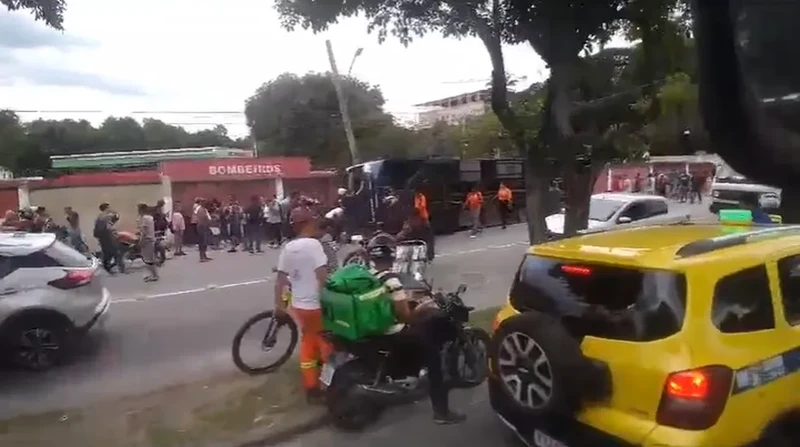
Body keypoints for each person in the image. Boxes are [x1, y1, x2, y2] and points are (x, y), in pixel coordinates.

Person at [366, 238, 466, 424]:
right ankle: (441, 413)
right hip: (393, 330)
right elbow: (405, 316)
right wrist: (423, 306)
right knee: (434, 359)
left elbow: (386, 302)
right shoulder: (392, 280)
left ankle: (410, 373)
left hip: (378, 327)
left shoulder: (370, 275)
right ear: (392, 255)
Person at [274, 206, 331, 403]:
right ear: (307, 223)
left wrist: (279, 306)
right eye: (313, 221)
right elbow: (322, 275)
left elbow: (280, 279)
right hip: (316, 305)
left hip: (299, 306)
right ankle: (329, 387)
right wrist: (330, 300)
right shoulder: (314, 245)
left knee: (308, 342)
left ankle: (311, 388)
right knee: (328, 345)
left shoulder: (288, 247)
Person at [94, 203, 125, 274]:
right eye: (109, 207)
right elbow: (116, 217)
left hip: (102, 238)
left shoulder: (99, 217)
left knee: (107, 253)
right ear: (106, 208)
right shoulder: (108, 215)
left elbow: (96, 230)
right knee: (116, 252)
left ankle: (107, 268)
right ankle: (121, 269)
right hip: (108, 237)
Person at [137, 203, 159, 282]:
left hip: (147, 240)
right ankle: (151, 274)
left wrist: (141, 241)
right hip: (150, 240)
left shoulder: (145, 218)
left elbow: (144, 232)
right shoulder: (149, 217)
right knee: (148, 259)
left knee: (148, 260)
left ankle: (155, 275)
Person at [193, 198, 212, 262]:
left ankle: (204, 255)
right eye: (203, 202)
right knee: (202, 242)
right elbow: (201, 219)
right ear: (201, 203)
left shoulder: (204, 209)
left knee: (205, 242)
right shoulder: (200, 209)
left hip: (205, 226)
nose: (205, 203)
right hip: (202, 226)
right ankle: (201, 257)